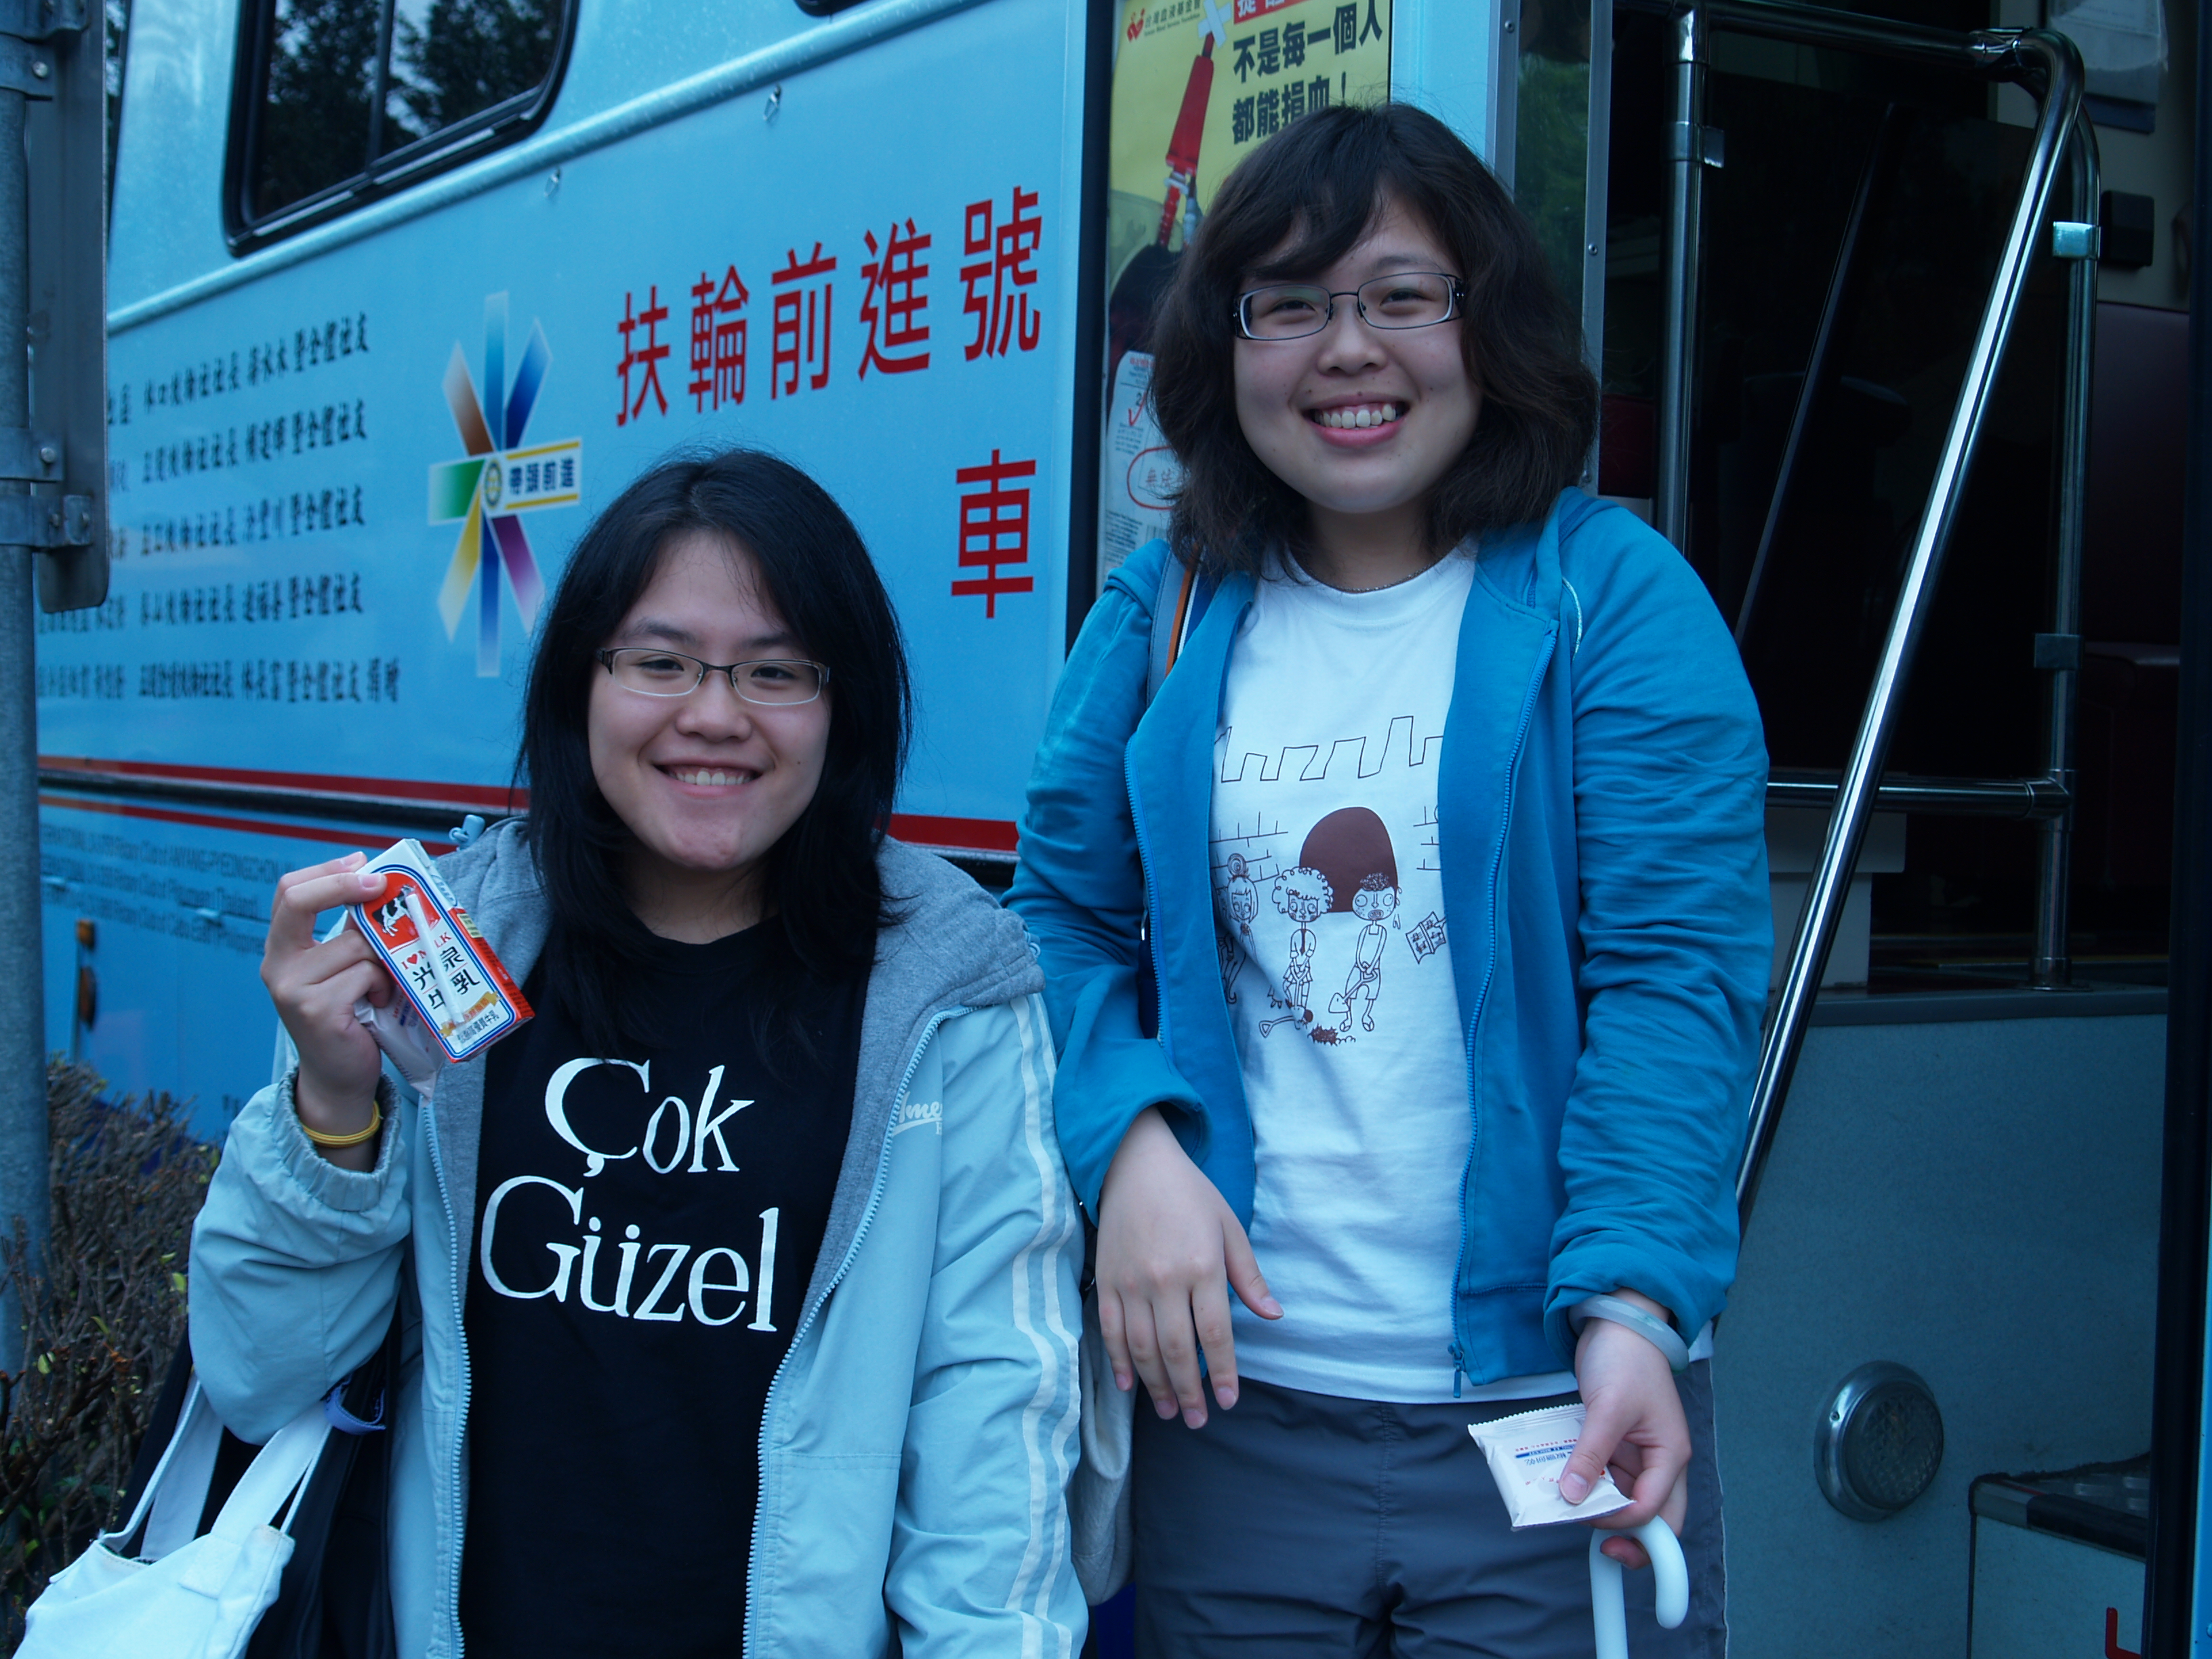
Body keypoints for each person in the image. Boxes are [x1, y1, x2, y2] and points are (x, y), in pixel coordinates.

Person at [1009, 103, 1769, 1654]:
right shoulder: (1164, 606)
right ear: (1226, 351)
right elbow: (1061, 918)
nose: (1348, 349)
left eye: (1404, 296)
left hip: (1551, 1407)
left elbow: (1673, 980)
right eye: (1288, 305)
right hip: (1232, 1409)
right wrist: (1129, 1143)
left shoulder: (1611, 595)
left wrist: (1634, 1304)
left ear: (1488, 329)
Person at [191, 449, 1086, 1658]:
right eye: (659, 662)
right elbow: (260, 1374)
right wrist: (333, 1109)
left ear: (847, 707)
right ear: (581, 683)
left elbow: (993, 1415)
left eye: (776, 671)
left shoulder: (949, 990)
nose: (714, 715)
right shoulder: (441, 952)